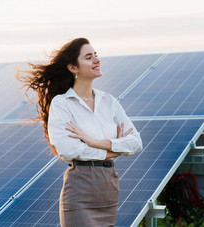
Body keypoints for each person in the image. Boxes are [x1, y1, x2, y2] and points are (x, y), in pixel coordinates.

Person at [18, 38, 143, 226]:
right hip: (80, 191)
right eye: (88, 57)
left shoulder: (109, 102)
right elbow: (68, 150)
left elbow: (136, 143)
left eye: (96, 55)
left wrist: (93, 142)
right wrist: (115, 150)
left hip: (108, 189)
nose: (96, 60)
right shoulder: (62, 103)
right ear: (73, 68)